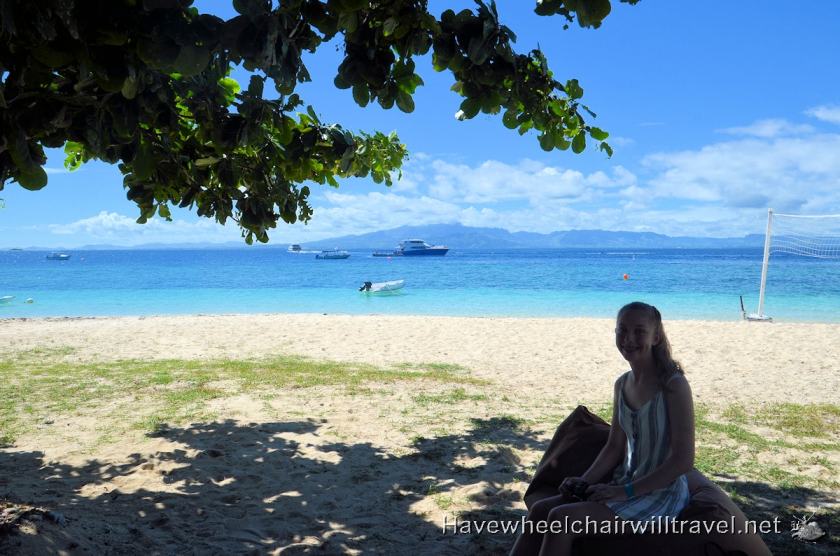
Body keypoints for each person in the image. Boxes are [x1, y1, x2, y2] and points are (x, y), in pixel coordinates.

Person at [510, 301, 694, 556]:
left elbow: (683, 460)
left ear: (656, 337)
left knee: (561, 520)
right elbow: (614, 446)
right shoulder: (622, 384)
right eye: (622, 330)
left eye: (639, 331)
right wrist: (584, 481)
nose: (629, 339)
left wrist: (623, 492)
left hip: (659, 492)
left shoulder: (673, 385)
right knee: (541, 510)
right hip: (625, 481)